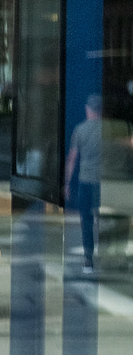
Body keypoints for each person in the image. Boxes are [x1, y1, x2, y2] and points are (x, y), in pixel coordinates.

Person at [64, 94, 102, 274]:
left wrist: (66, 184)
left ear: (88, 109)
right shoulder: (111, 130)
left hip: (86, 181)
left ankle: (88, 260)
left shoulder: (80, 130)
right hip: (106, 182)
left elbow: (72, 159)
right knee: (106, 218)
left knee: (86, 221)